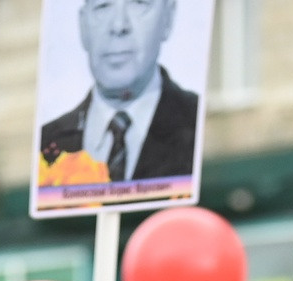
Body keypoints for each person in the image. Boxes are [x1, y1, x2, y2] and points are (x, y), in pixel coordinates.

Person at [38, 0, 198, 186]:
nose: (119, 25)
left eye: (139, 3)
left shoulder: (195, 124)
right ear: (83, 25)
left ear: (168, 18)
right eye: (103, 6)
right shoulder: (47, 143)